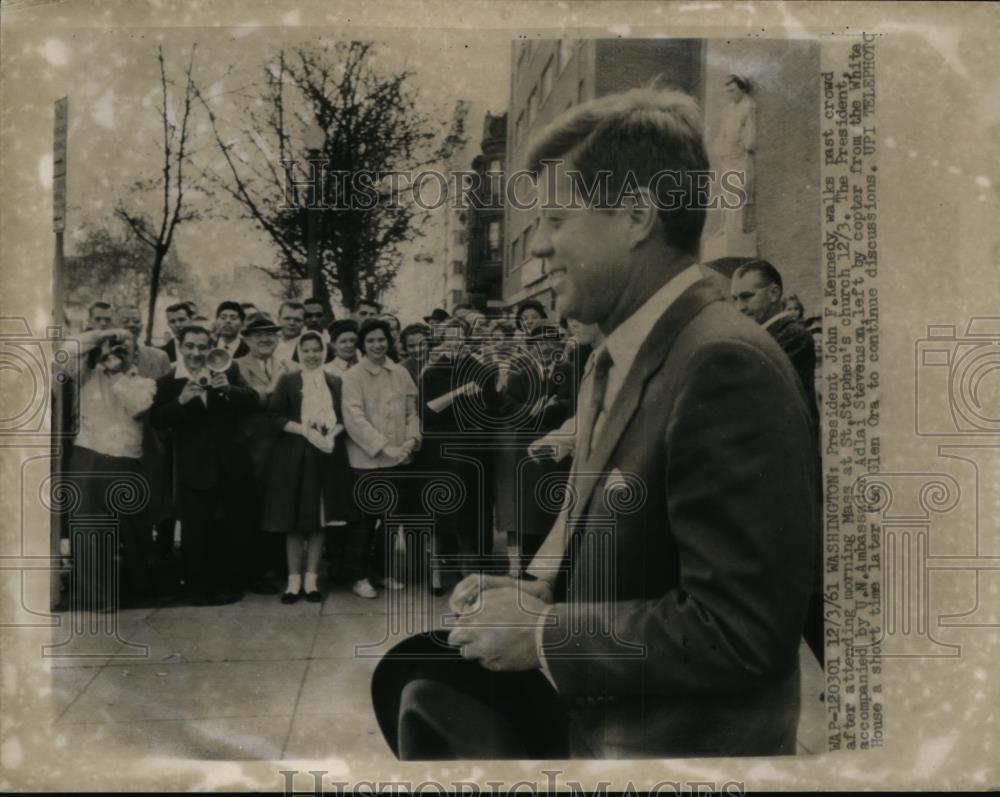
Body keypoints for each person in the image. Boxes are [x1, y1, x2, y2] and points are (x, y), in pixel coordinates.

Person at [373, 87, 817, 760]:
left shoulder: (722, 362)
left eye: (556, 218)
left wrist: (547, 633)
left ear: (636, 215)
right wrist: (538, 589)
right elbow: (643, 560)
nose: (542, 247)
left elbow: (741, 628)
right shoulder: (620, 356)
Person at [150, 324, 258, 606]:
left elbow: (254, 401)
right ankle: (198, 587)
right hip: (193, 467)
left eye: (201, 346)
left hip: (231, 464)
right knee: (196, 529)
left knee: (230, 527)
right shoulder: (168, 381)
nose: (196, 353)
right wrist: (182, 401)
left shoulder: (227, 370)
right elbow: (158, 420)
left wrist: (230, 390)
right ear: (180, 346)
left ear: (210, 347)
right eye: (190, 346)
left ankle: (229, 585)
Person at [57, 326, 157, 610]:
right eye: (115, 348)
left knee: (136, 531)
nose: (118, 352)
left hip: (127, 458)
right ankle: (98, 597)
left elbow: (137, 407)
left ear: (135, 354)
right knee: (89, 530)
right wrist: (102, 336)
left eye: (126, 348)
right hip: (89, 454)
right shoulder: (84, 375)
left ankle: (139, 589)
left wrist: (116, 373)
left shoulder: (145, 382)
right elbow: (64, 351)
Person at [262, 332, 356, 604]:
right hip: (294, 455)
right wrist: (304, 431)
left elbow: (344, 416)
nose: (312, 355)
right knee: (294, 521)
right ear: (299, 353)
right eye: (307, 351)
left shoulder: (334, 382)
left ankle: (312, 578)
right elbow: (274, 416)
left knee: (319, 520)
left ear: (324, 352)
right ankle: (293, 581)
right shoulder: (289, 381)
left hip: (326, 456)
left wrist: (330, 434)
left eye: (317, 350)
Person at [341, 318, 420, 598]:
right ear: (363, 345)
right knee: (363, 521)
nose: (377, 345)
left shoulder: (400, 373)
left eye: (382, 339)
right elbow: (354, 418)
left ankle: (382, 571)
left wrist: (411, 440)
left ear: (390, 341)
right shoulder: (352, 377)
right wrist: (385, 446)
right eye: (371, 340)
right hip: (366, 461)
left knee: (391, 520)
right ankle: (359, 576)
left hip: (399, 459)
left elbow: (412, 411)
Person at [235, 314, 288, 594]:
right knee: (253, 512)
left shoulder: (287, 364)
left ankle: (278, 566)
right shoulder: (235, 366)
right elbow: (248, 402)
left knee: (279, 508)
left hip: (283, 449)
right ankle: (255, 571)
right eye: (258, 335)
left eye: (271, 333)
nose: (266, 339)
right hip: (251, 450)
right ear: (246, 339)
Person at [730, 260, 818, 414]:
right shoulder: (757, 335)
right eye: (735, 299)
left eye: (746, 297)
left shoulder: (794, 336)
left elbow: (753, 392)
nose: (739, 307)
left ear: (774, 294)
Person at [114, 305, 172, 380]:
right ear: (114, 326)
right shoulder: (103, 359)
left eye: (136, 321)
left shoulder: (160, 357)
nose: (132, 324)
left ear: (141, 327)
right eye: (125, 321)